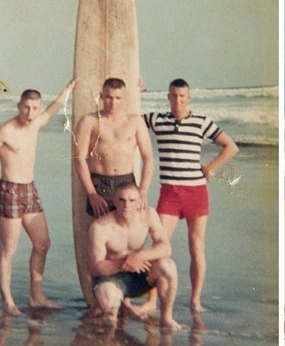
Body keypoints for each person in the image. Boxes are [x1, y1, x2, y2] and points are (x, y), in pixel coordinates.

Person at [0, 78, 76, 316]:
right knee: (8, 249)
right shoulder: (6, 130)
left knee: (43, 244)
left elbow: (55, 107)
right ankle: (8, 302)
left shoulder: (35, 123)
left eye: (34, 108)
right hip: (9, 191)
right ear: (18, 106)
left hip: (30, 190)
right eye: (26, 107)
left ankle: (36, 296)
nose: (30, 113)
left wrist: (69, 87)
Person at [143, 78, 239, 313]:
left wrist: (209, 168)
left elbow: (231, 146)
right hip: (169, 194)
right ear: (168, 97)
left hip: (196, 192)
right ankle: (150, 301)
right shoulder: (157, 120)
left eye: (182, 96)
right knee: (159, 245)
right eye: (173, 96)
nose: (178, 100)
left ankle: (195, 300)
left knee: (196, 247)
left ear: (189, 98)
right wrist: (137, 91)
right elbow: (130, 118)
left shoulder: (201, 122)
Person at [74, 77, 157, 315]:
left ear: (124, 99)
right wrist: (91, 192)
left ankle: (126, 299)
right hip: (99, 184)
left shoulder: (135, 122)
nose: (113, 102)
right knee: (97, 246)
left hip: (127, 183)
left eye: (118, 98)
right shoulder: (89, 121)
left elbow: (148, 157)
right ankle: (97, 302)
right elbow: (79, 159)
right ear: (102, 96)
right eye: (108, 97)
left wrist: (142, 190)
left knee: (129, 243)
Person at [88, 182, 180, 330]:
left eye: (132, 201)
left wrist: (139, 256)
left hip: (139, 273)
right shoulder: (100, 227)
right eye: (122, 200)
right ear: (114, 201)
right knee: (109, 302)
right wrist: (124, 262)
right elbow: (96, 267)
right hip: (112, 276)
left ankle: (166, 318)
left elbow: (165, 248)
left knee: (167, 266)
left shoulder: (148, 215)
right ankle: (110, 338)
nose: (127, 205)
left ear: (139, 202)